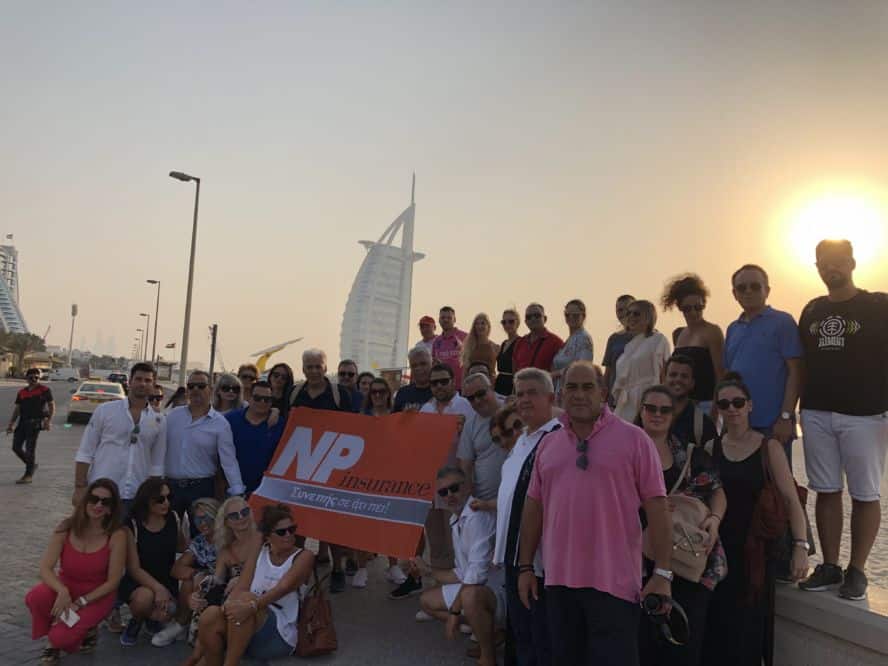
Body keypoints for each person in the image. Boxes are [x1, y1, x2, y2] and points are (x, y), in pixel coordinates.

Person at [517, 361, 673, 665]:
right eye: (571, 387)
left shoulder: (635, 440)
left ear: (603, 393)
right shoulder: (548, 445)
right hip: (559, 583)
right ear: (561, 394)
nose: (579, 394)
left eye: (587, 387)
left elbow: (658, 507)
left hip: (615, 585)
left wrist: (663, 573)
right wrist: (525, 567)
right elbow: (534, 506)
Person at [797, 239, 888, 601]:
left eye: (837, 261)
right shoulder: (812, 309)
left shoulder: (878, 305)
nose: (830, 268)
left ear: (851, 262)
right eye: (823, 262)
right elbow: (802, 362)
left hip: (866, 414)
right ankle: (831, 565)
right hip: (816, 412)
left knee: (865, 493)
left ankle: (858, 570)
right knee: (827, 490)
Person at [703, 375, 809, 666]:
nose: (732, 409)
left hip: (756, 557)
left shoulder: (768, 448)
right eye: (724, 404)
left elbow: (791, 500)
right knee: (714, 635)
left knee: (746, 637)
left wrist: (801, 546)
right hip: (718, 552)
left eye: (738, 402)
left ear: (749, 405)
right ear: (718, 408)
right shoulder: (712, 448)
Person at [635, 385, 727, 666]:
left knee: (684, 644)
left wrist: (714, 520)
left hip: (686, 559)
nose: (657, 414)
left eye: (665, 410)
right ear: (641, 411)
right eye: (651, 408)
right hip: (639, 560)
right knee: (642, 645)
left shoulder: (690, 454)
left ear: (673, 414)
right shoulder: (625, 452)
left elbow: (717, 492)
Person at [493, 368, 560, 666]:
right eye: (520, 394)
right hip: (514, 555)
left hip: (538, 561)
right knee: (521, 634)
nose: (525, 400)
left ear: (551, 398)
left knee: (539, 638)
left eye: (533, 393)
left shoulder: (557, 439)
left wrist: (529, 563)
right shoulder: (522, 440)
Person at [196, 503, 314, 665]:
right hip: (244, 626)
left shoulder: (304, 556)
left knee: (246, 599)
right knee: (210, 615)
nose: (288, 535)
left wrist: (251, 606)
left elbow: (283, 587)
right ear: (268, 536)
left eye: (292, 529)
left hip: (279, 632)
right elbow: (242, 585)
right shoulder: (260, 552)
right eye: (281, 532)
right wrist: (229, 608)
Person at [25, 478, 126, 664]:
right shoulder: (66, 528)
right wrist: (62, 591)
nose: (98, 505)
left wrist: (80, 602)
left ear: (111, 509)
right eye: (94, 499)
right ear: (85, 501)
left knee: (61, 637)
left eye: (105, 502)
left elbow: (113, 582)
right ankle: (57, 637)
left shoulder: (117, 535)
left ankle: (68, 635)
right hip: (67, 589)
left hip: (97, 596)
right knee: (36, 597)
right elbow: (45, 568)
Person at [419, 467, 505, 666]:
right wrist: (427, 570)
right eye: (443, 492)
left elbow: (475, 575)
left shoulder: (476, 517)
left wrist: (455, 613)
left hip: (500, 592)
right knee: (427, 601)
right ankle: (493, 633)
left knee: (469, 596)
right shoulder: (456, 519)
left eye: (454, 488)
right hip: (481, 588)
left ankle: (488, 657)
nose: (449, 495)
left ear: (467, 487)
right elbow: (462, 573)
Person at [723, 264, 803, 461]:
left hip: (773, 426)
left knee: (777, 479)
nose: (748, 291)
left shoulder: (783, 322)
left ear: (767, 290)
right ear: (734, 294)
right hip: (739, 423)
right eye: (742, 287)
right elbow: (729, 377)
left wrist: (786, 417)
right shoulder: (733, 329)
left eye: (755, 286)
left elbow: (796, 372)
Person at [290, 348, 352, 592]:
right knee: (298, 521)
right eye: (310, 367)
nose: (314, 371)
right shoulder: (295, 393)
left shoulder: (340, 394)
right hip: (301, 466)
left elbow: (355, 428)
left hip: (332, 465)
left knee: (331, 522)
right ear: (303, 369)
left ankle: (338, 570)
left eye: (318, 366)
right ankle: (297, 571)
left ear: (326, 368)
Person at [73, 362, 166, 511]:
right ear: (130, 382)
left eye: (147, 380)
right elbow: (85, 452)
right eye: (138, 379)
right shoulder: (105, 411)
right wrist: (79, 488)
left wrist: (154, 496)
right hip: (102, 494)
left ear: (153, 385)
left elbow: (157, 464)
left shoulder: (159, 420)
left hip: (136, 495)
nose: (142, 384)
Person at [165, 371, 245, 525]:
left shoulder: (220, 424)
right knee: (169, 531)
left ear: (211, 389)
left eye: (201, 386)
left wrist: (237, 491)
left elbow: (229, 461)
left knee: (202, 532)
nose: (196, 390)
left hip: (202, 489)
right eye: (191, 386)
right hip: (171, 488)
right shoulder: (173, 416)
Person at [118, 478, 186, 647]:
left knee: (167, 612)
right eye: (160, 499)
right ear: (146, 500)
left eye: (169, 497)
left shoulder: (174, 518)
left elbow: (182, 547)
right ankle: (137, 620)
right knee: (144, 599)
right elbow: (134, 568)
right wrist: (158, 589)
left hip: (167, 579)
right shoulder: (132, 524)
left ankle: (151, 619)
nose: (166, 503)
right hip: (138, 581)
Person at [359, 377, 408, 587]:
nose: (378, 395)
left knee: (390, 522)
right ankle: (361, 567)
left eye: (382, 391)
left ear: (388, 394)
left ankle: (393, 565)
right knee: (363, 524)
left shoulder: (398, 417)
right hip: (365, 477)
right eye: (374, 392)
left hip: (391, 476)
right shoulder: (361, 417)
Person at [153, 497, 220, 647]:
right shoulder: (200, 541)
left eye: (207, 518)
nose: (203, 523)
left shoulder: (227, 538)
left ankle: (185, 624)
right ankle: (181, 623)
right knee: (189, 579)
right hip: (206, 585)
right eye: (198, 519)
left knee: (197, 581)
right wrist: (197, 574)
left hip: (228, 585)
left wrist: (204, 577)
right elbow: (176, 569)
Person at [661, 274, 724, 409]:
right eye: (687, 308)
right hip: (681, 405)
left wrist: (716, 408)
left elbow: (720, 373)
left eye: (698, 307)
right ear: (680, 308)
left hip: (705, 403)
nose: (693, 312)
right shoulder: (681, 334)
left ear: (704, 305)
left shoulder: (712, 331)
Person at [612, 300, 671, 422]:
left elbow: (665, 374)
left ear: (648, 317)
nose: (631, 316)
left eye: (636, 313)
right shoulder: (628, 346)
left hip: (647, 399)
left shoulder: (659, 340)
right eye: (628, 313)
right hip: (625, 403)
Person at [225, 380, 286, 495]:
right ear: (249, 398)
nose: (262, 402)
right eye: (257, 398)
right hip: (232, 488)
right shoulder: (230, 420)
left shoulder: (280, 424)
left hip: (266, 491)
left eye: (267, 399)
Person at [457, 373, 506, 512]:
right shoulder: (470, 425)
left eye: (480, 394)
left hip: (515, 499)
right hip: (484, 505)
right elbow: (465, 467)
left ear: (491, 387)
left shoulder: (514, 410)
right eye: (471, 398)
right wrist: (468, 502)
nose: (477, 400)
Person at [7, 366, 54, 483]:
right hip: (22, 423)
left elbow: (51, 406)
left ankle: (28, 475)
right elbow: (17, 409)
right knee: (16, 447)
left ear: (39, 378)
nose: (33, 380)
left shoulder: (44, 390)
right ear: (26, 378)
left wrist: (48, 421)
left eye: (36, 377)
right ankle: (31, 465)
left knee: (30, 449)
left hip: (35, 423)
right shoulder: (22, 392)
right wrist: (11, 424)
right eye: (31, 377)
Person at [663, 354, 718, 447]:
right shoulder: (649, 415)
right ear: (664, 379)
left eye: (684, 376)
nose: (678, 379)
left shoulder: (703, 425)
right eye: (673, 375)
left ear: (692, 383)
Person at [551, 298, 595, 399]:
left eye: (575, 315)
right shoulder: (570, 339)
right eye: (567, 315)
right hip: (561, 391)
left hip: (574, 392)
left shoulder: (584, 338)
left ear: (583, 316)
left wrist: (555, 374)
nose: (571, 318)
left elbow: (582, 366)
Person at [603, 294, 636, 406]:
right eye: (619, 310)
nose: (624, 313)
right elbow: (608, 372)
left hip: (637, 398)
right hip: (614, 399)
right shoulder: (614, 339)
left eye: (628, 309)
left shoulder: (648, 338)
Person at [512, 303, 564, 374]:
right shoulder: (520, 343)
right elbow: (515, 371)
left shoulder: (556, 342)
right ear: (525, 322)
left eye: (537, 316)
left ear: (545, 319)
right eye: (529, 317)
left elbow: (561, 370)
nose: (533, 319)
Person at [432, 305, 468, 389]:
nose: (445, 320)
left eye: (449, 318)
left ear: (454, 319)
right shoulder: (436, 341)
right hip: (443, 387)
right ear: (439, 320)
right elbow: (434, 365)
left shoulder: (465, 337)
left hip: (462, 387)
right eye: (443, 318)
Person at [461, 313, 500, 383]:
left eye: (483, 323)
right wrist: (463, 386)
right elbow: (465, 371)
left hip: (490, 384)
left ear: (488, 326)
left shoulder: (495, 347)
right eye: (477, 324)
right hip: (472, 384)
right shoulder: (469, 346)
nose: (480, 326)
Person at [393, 346, 434, 413]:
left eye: (423, 364)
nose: (418, 368)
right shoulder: (402, 393)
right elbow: (395, 418)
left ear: (432, 364)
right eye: (414, 366)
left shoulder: (440, 391)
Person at [495, 308, 521, 396]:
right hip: (499, 384)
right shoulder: (503, 343)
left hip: (512, 385)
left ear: (517, 323)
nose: (507, 325)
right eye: (504, 322)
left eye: (511, 321)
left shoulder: (520, 342)